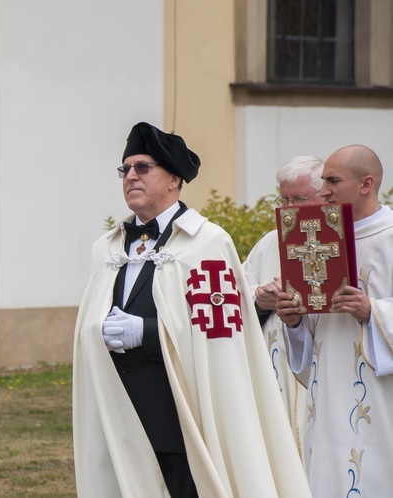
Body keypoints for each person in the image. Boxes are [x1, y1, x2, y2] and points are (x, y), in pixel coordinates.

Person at [72, 122, 311, 497]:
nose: (131, 176)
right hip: (117, 407)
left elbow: (220, 332)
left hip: (180, 414)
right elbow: (90, 318)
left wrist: (146, 333)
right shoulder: (107, 247)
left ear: (173, 179)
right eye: (125, 169)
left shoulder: (207, 242)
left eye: (143, 167)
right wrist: (95, 331)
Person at [275, 144, 393, 496]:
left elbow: (371, 308)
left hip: (379, 396)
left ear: (366, 184)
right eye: (323, 179)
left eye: (332, 180)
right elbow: (314, 331)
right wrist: (295, 320)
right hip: (326, 391)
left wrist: (372, 311)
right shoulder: (319, 235)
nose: (323, 189)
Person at [242, 155, 324, 461]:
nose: (288, 208)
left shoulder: (343, 241)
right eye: (284, 198)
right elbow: (239, 292)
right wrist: (260, 300)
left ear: (324, 195)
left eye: (298, 198)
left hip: (322, 370)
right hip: (275, 372)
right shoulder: (268, 244)